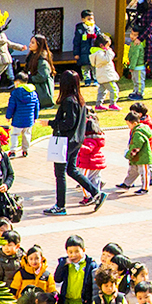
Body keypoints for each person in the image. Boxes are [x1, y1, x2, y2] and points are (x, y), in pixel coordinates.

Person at [46, 72, 105, 215]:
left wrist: (51, 123)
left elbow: (68, 123)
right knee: (71, 170)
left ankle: (60, 206)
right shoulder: (80, 100)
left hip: (65, 141)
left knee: (60, 174)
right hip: (76, 141)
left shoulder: (69, 101)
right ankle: (95, 192)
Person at [120, 111, 152, 195]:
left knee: (144, 173)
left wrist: (129, 155)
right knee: (133, 171)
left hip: (143, 157)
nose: (128, 127)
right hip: (137, 157)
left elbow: (136, 146)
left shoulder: (138, 133)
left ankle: (145, 188)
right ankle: (127, 183)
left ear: (134, 123)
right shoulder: (138, 130)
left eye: (129, 125)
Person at [5, 75, 38, 158]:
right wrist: (35, 117)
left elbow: (11, 106)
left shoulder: (15, 93)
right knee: (27, 134)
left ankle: (13, 151)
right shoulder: (33, 92)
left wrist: (8, 116)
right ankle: (25, 150)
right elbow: (36, 106)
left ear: (18, 82)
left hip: (17, 119)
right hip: (29, 119)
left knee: (14, 135)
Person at [90, 34, 121, 110]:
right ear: (102, 45)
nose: (109, 48)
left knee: (102, 91)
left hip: (102, 76)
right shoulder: (100, 54)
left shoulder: (97, 53)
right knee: (114, 89)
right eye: (108, 46)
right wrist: (110, 52)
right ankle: (112, 104)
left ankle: (98, 105)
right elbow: (107, 60)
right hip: (106, 76)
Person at [75, 111, 107, 186]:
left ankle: (89, 195)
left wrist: (79, 145)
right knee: (96, 178)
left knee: (85, 179)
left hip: (89, 162)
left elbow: (87, 150)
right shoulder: (97, 138)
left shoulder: (90, 140)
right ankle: (97, 193)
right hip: (96, 162)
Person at [25, 35, 55, 108]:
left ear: (39, 44)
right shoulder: (31, 56)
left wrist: (29, 79)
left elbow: (42, 77)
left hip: (42, 90)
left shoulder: (42, 60)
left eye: (33, 43)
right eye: (30, 42)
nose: (30, 44)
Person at [74, 10, 100, 81]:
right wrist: (76, 53)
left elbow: (99, 40)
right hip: (84, 51)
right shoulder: (80, 30)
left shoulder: (96, 29)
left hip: (94, 51)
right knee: (85, 67)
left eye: (92, 19)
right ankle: (87, 80)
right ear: (83, 20)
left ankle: (96, 79)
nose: (91, 21)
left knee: (94, 66)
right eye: (88, 19)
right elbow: (76, 42)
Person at [126, 32, 150, 100]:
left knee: (139, 81)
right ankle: (135, 91)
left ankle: (140, 93)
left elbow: (135, 56)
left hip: (139, 66)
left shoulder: (137, 45)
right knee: (134, 80)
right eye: (131, 34)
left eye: (135, 35)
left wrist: (132, 66)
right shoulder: (133, 43)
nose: (132, 36)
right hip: (135, 66)